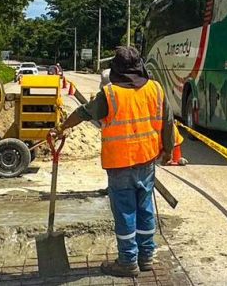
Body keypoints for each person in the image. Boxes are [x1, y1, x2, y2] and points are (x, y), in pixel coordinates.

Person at [56, 46, 174, 278]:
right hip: (146, 162)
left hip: (120, 164)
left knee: (125, 212)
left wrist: (62, 127)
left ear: (116, 70)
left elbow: (83, 113)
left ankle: (128, 261)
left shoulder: (110, 94)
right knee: (145, 208)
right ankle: (146, 256)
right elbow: (168, 121)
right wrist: (168, 150)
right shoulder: (156, 89)